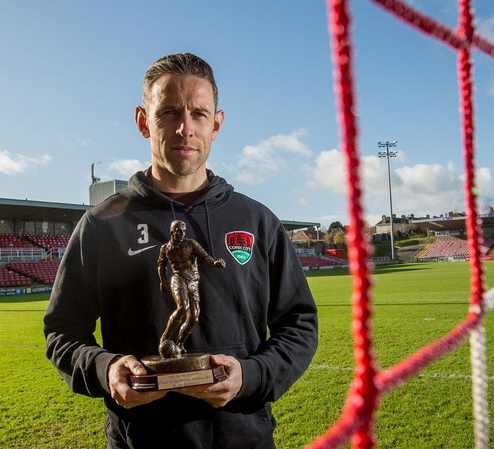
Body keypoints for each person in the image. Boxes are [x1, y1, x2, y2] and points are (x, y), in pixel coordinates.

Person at [43, 52, 318, 449]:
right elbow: (63, 332)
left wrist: (251, 375)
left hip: (246, 439)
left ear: (216, 124)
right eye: (169, 112)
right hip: (141, 441)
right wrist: (107, 369)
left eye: (198, 114)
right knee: (183, 312)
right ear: (143, 121)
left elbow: (299, 323)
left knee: (188, 311)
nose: (184, 128)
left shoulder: (257, 221)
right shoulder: (102, 225)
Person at [157, 219, 225, 358]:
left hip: (193, 280)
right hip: (178, 278)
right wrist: (163, 281)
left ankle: (180, 343)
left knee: (194, 317)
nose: (182, 233)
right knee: (183, 306)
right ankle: (165, 336)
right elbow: (161, 265)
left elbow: (205, 257)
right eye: (179, 231)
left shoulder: (191, 244)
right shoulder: (165, 248)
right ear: (172, 232)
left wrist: (214, 263)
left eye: (184, 231)